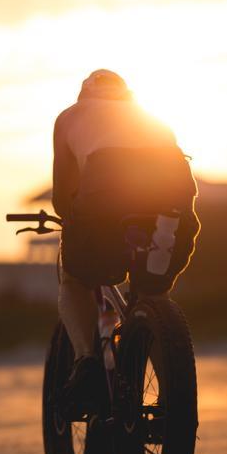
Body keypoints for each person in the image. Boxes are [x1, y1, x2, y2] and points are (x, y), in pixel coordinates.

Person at [52, 69, 199, 419]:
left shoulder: (71, 117)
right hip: (173, 197)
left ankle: (87, 362)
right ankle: (171, 398)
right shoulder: (155, 122)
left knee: (75, 279)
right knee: (152, 294)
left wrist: (75, 222)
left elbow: (62, 197)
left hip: (104, 191)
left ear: (84, 95)